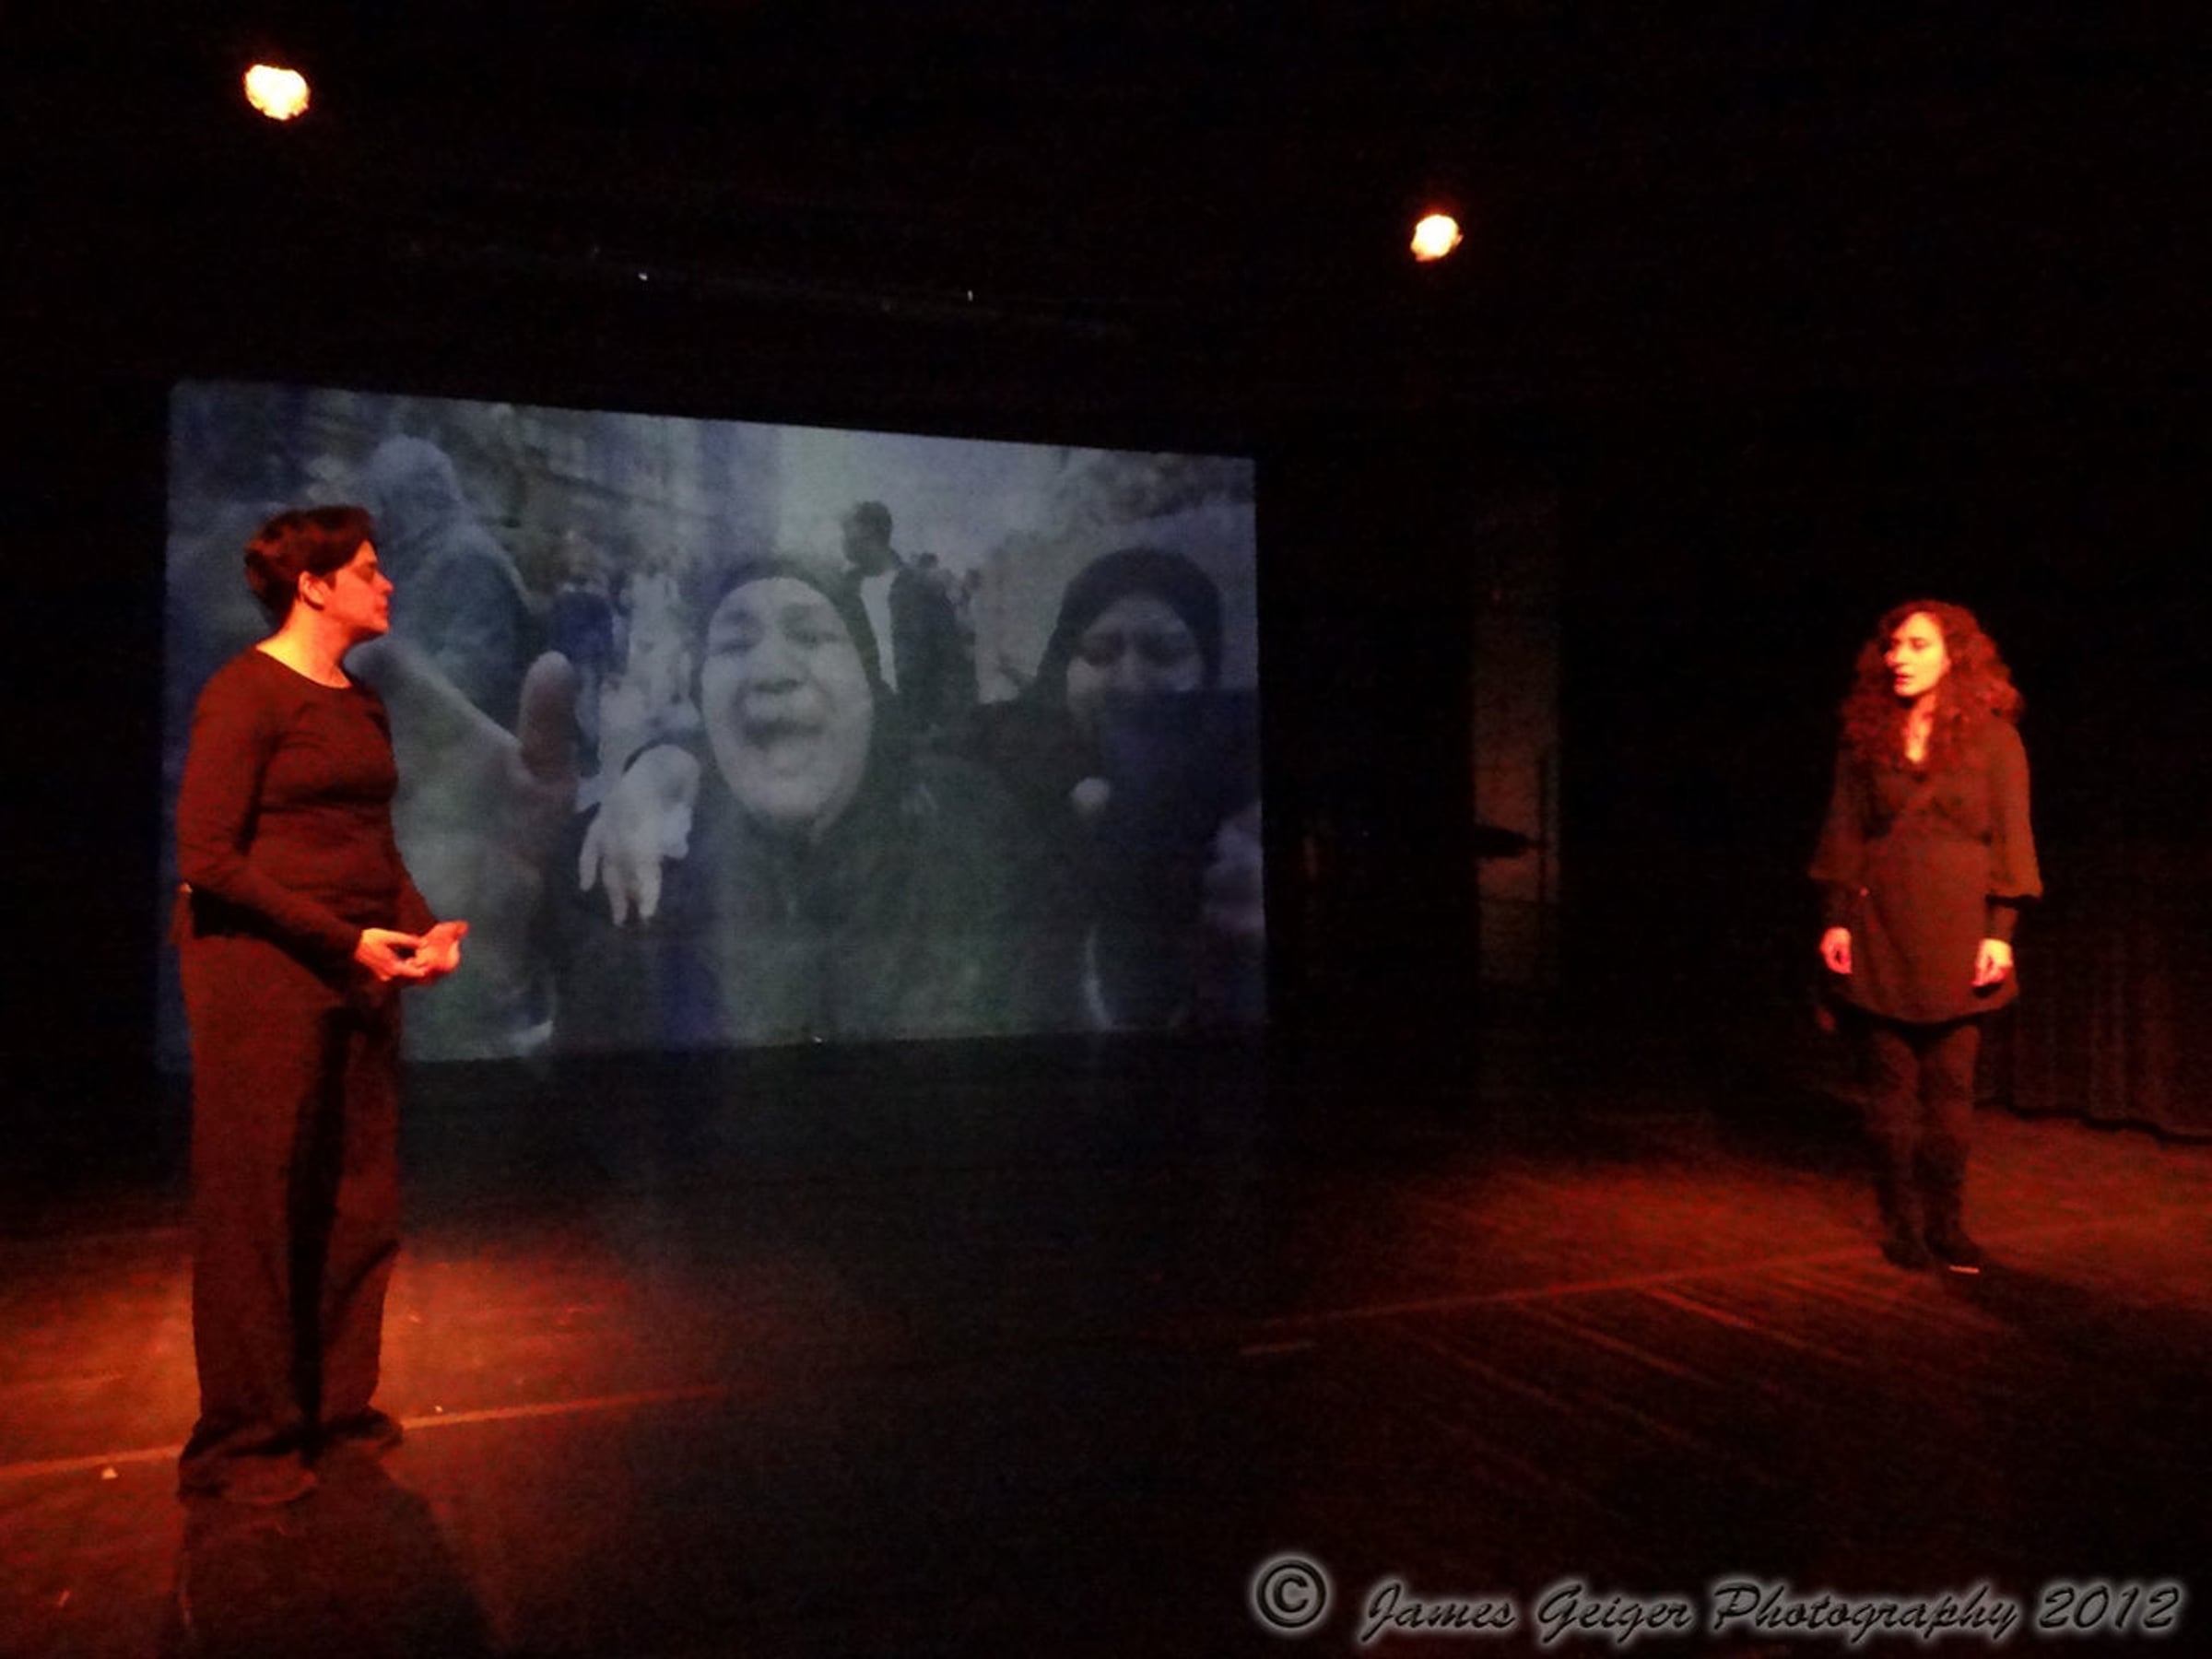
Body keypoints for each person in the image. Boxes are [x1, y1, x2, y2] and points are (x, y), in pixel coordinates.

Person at [172, 505, 468, 1504]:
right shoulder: (245, 693)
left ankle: (334, 1407)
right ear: (313, 585)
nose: (388, 585)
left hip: (357, 969)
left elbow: (370, 844)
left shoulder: (360, 701)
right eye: (370, 570)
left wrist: (418, 931)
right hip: (260, 971)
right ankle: (249, 1440)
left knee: (356, 1195)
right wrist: (344, 940)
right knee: (260, 1204)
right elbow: (208, 859)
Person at [547, 557, 1072, 1049]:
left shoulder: (978, 833)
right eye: (734, 644)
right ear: (704, 697)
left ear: (868, 687)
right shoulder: (622, 873)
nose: (771, 668)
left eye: (812, 635)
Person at [1810, 600, 2041, 1272]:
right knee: (1889, 1089)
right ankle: (1903, 1225)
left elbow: (2012, 839)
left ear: (1954, 657)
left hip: (1960, 928)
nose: (1899, 658)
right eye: (1893, 646)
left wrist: (2000, 933)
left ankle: (1948, 1224)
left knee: (1951, 1089)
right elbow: (1843, 833)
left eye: (1917, 645)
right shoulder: (1866, 738)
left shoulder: (1994, 740)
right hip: (1882, 925)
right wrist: (1835, 918)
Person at [959, 547, 1265, 1028]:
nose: (1130, 681)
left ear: (1207, 666)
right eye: (1100, 653)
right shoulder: (999, 767)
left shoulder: (1240, 777)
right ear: (1062, 665)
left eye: (1166, 652)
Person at [841, 500, 972, 737]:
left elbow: (951, 661)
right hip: (856, 724)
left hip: (913, 724)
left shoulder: (921, 590)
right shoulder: (843, 590)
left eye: (846, 529)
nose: (843, 540)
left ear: (868, 531)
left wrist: (943, 723)